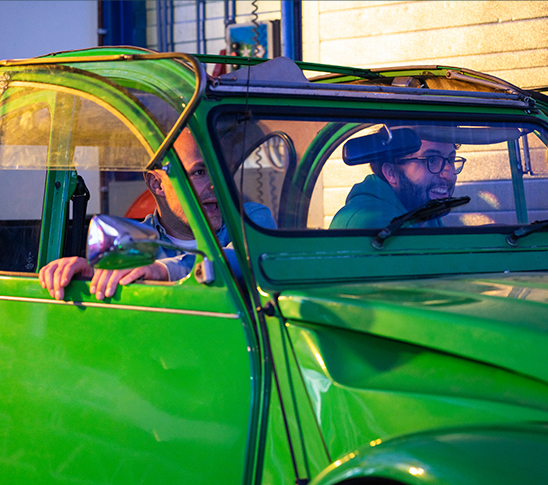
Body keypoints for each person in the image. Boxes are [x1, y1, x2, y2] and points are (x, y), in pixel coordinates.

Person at [39, 128, 276, 301]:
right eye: (200, 172)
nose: (216, 183)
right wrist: (90, 277)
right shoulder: (136, 242)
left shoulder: (252, 220)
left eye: (219, 170)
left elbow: (240, 258)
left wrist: (162, 271)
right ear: (157, 184)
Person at [330, 129, 466, 229]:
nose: (449, 175)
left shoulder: (424, 213)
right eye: (431, 160)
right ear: (391, 173)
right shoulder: (373, 221)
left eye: (451, 159)